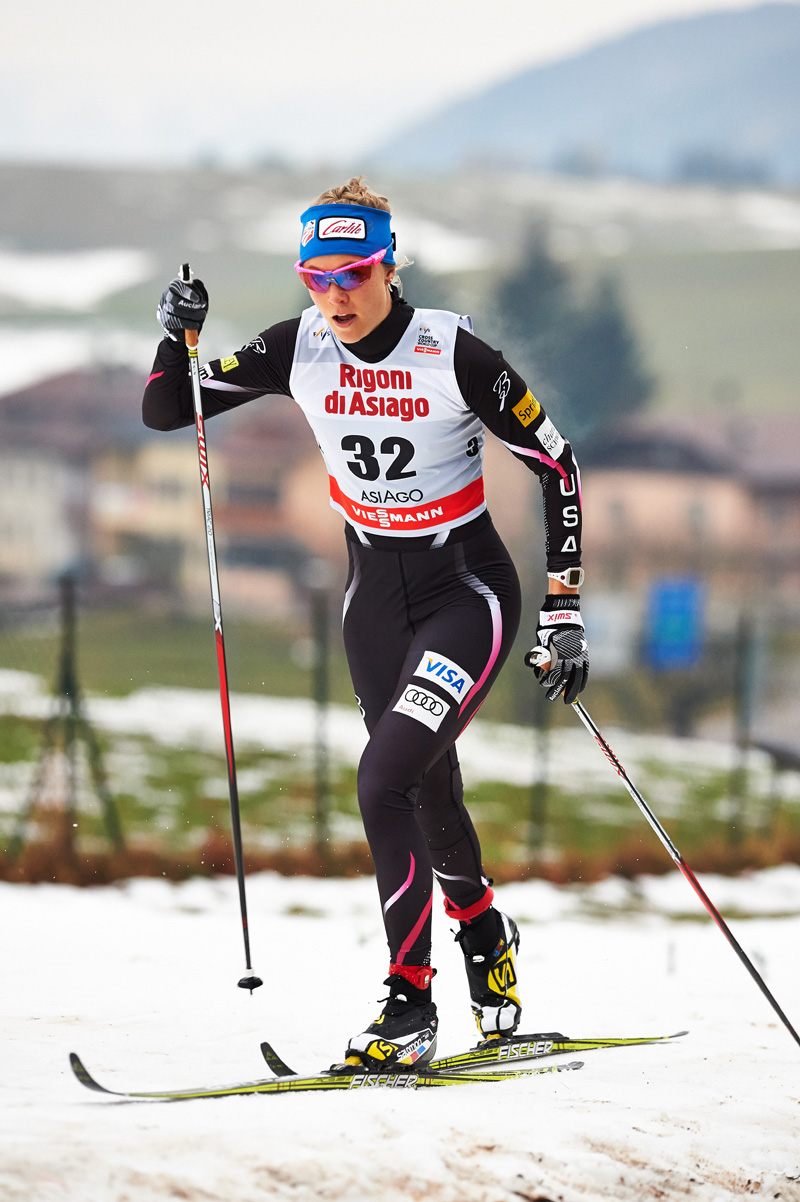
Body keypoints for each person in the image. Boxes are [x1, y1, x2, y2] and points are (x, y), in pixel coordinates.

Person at [142, 176, 588, 1069]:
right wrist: (175, 334)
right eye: (318, 277)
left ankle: (408, 1004)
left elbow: (558, 466)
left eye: (353, 274)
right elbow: (168, 406)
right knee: (424, 789)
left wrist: (565, 611)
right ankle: (481, 927)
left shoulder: (453, 351)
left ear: (388, 266)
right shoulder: (295, 344)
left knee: (381, 780)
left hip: (467, 593)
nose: (336, 295)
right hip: (373, 602)